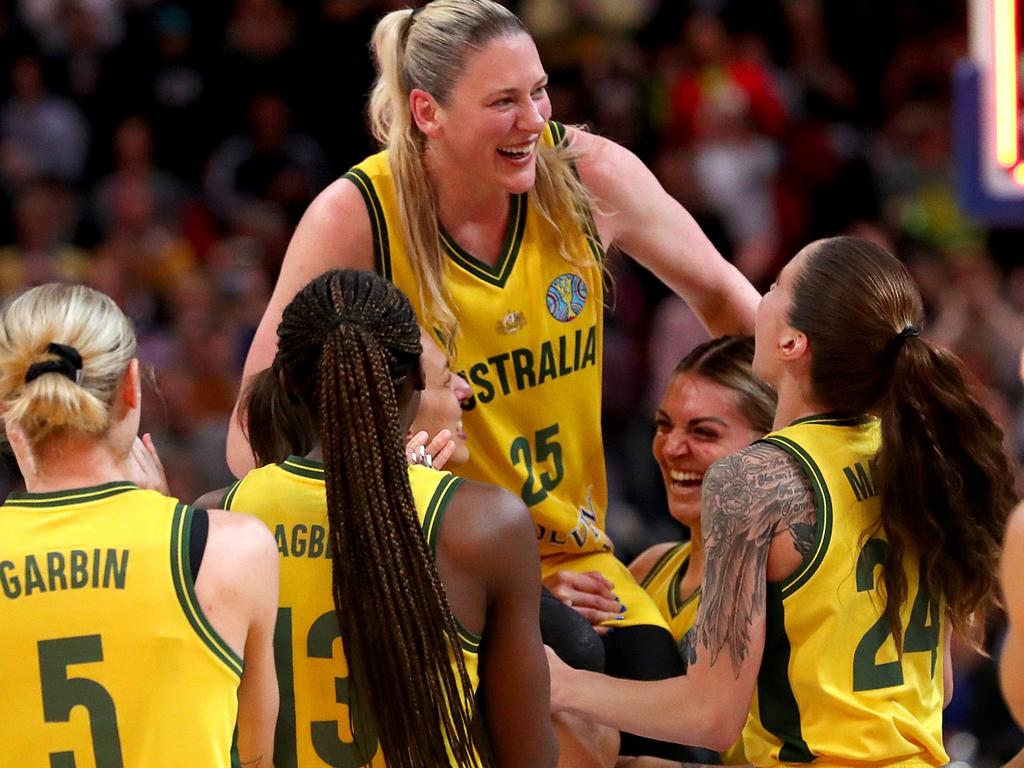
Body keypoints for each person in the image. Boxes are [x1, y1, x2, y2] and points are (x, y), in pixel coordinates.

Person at [227, 1, 759, 757]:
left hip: (579, 552)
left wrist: (807, 454)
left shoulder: (588, 174)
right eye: (504, 102)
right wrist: (391, 486)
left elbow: (737, 309)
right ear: (428, 113)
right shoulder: (356, 214)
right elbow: (251, 439)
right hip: (441, 552)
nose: (533, 120)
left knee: (679, 737)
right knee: (576, 715)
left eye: (539, 92)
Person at [548, 236, 1016, 765]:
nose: (759, 300)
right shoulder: (912, 454)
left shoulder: (757, 478)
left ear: (793, 343)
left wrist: (562, 684)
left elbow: (710, 715)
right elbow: (940, 686)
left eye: (773, 287)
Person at [218, 269, 557, 768]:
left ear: (286, 382)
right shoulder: (486, 524)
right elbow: (529, 757)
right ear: (418, 375)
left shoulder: (214, 521)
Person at [0, 283, 279, 767]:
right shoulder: (232, 551)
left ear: (10, 408)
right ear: (132, 385)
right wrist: (162, 513)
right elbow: (254, 756)